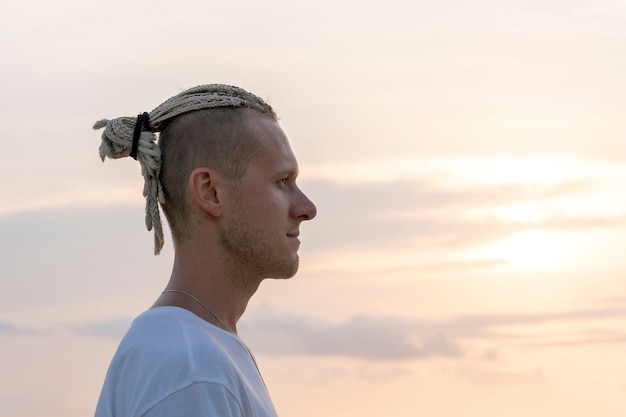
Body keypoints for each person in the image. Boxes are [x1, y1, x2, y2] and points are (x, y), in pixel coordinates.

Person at [92, 84, 317, 417]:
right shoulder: (192, 367)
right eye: (282, 181)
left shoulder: (197, 350)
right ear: (210, 191)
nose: (307, 208)